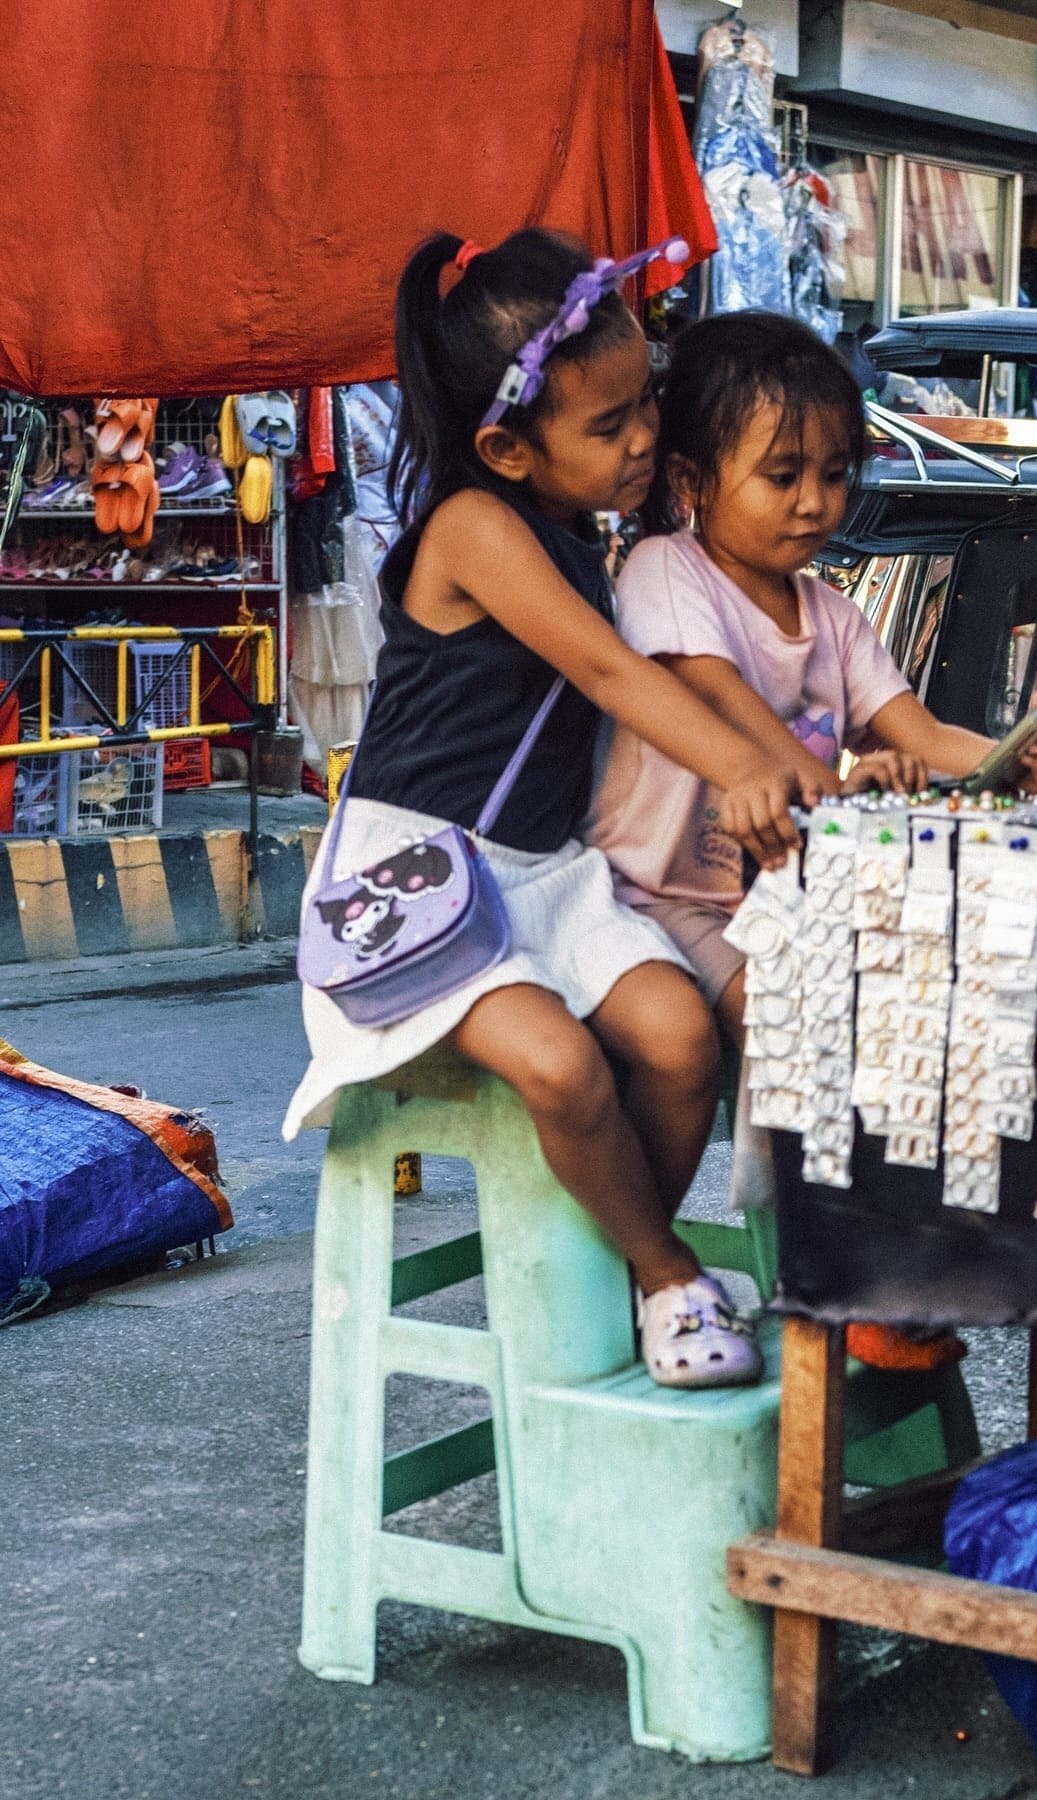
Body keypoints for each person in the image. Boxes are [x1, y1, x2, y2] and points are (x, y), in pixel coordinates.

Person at [284, 231, 819, 1390]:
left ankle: (606, 1272)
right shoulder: (475, 530)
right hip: (416, 878)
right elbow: (619, 678)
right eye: (609, 426)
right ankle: (671, 1274)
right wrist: (739, 772)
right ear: (505, 448)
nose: (643, 442)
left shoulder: (590, 531)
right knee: (565, 1070)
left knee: (683, 1043)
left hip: (544, 874)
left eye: (646, 407)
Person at [587, 309, 1037, 1049]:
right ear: (692, 479)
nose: (814, 502)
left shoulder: (835, 615)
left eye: (834, 475)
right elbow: (712, 692)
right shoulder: (667, 568)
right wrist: (835, 793)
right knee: (774, 1010)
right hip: (655, 896)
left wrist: (1016, 763)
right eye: (782, 477)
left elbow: (922, 734)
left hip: (779, 891)